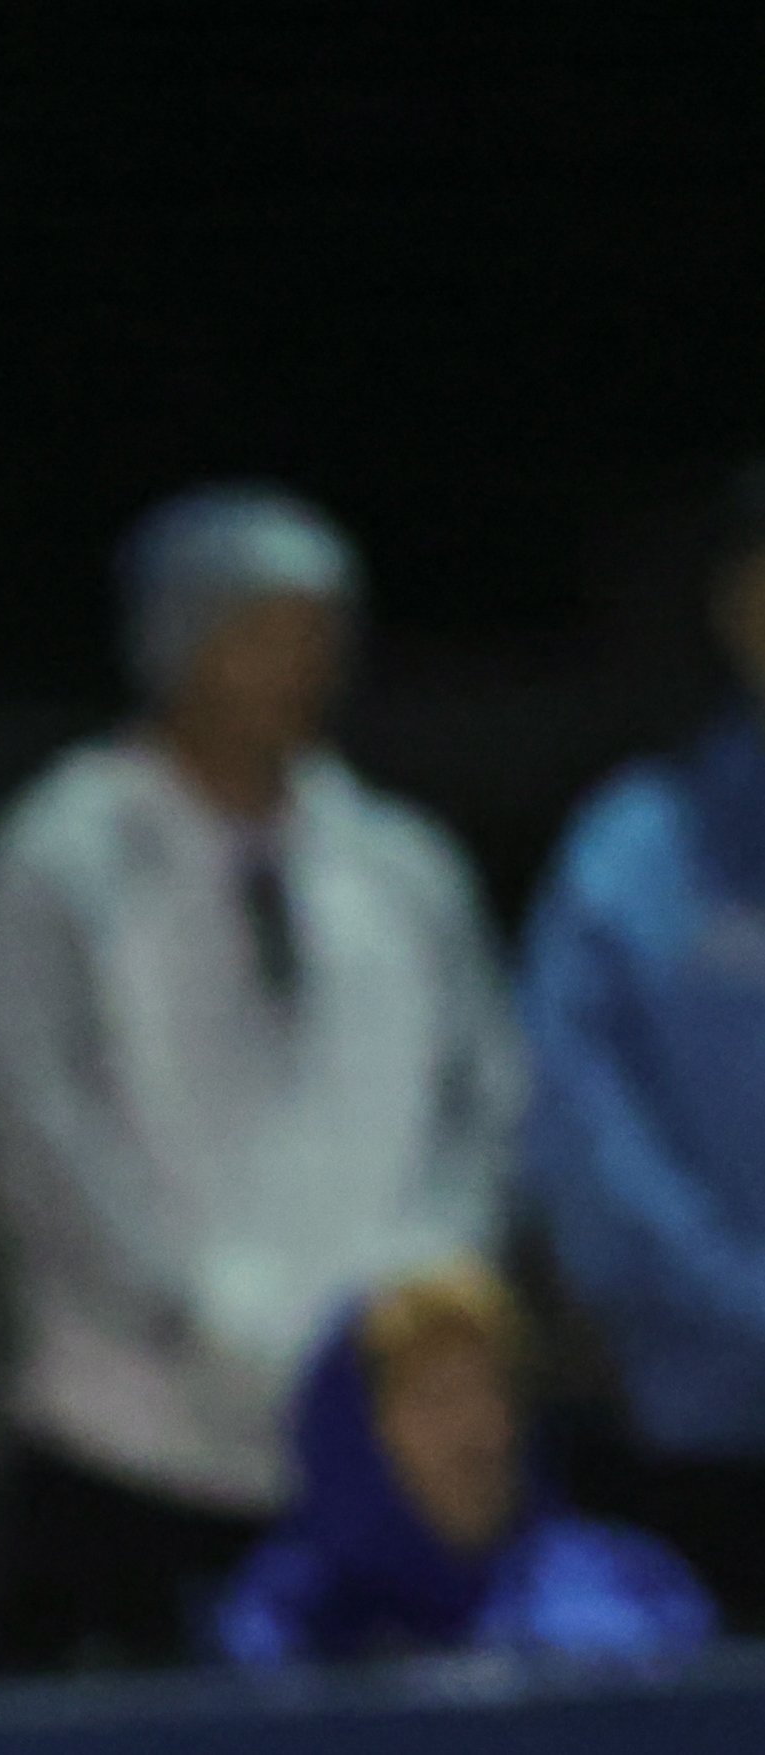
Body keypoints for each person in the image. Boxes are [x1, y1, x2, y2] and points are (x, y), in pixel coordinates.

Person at [0, 483, 525, 1668]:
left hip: (371, 1453)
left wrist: (412, 1312)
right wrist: (190, 1319)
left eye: (321, 633)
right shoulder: (59, 857)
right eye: (262, 630)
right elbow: (34, 1124)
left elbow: (479, 1104)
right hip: (132, 1435)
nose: (300, 665)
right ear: (174, 642)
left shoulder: (398, 864)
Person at [521, 463, 765, 1633]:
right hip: (702, 1424)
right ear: (732, 609)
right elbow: (581, 1130)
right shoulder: (633, 849)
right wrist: (739, 1311)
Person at [213, 1260, 713, 1666]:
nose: (480, 1435)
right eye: (437, 1400)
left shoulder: (630, 1597)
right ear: (352, 1439)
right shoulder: (279, 1623)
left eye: (497, 1394)